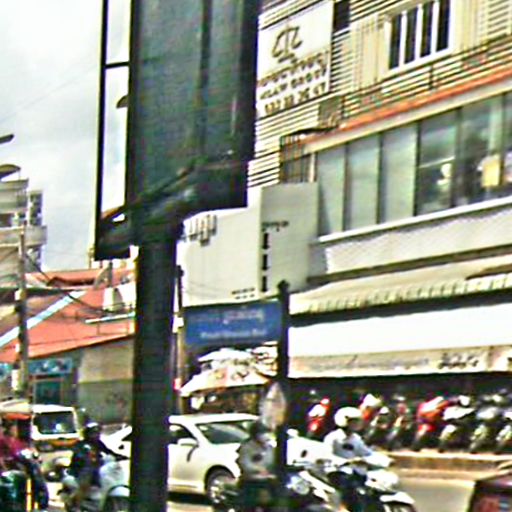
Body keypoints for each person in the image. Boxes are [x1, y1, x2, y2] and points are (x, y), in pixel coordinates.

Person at [324, 407, 375, 512]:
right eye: (353, 421)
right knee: (348, 484)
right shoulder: (333, 437)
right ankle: (343, 507)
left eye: (357, 421)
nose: (356, 424)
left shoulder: (356, 438)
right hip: (337, 471)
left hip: (354, 471)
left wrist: (384, 460)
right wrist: (346, 461)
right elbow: (327, 455)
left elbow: (366, 452)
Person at [69, 421, 120, 510]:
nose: (96, 435)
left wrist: (118, 456)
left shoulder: (98, 443)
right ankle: (76, 505)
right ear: (87, 434)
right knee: (85, 485)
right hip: (82, 468)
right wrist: (84, 457)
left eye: (97, 433)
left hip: (96, 467)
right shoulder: (81, 444)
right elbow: (78, 454)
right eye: (93, 433)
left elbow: (107, 451)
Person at [236, 421, 275, 512]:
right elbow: (245, 464)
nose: (266, 435)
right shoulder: (247, 447)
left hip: (267, 481)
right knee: (249, 506)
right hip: (251, 482)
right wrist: (258, 469)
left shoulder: (269, 447)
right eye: (262, 433)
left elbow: (273, 461)